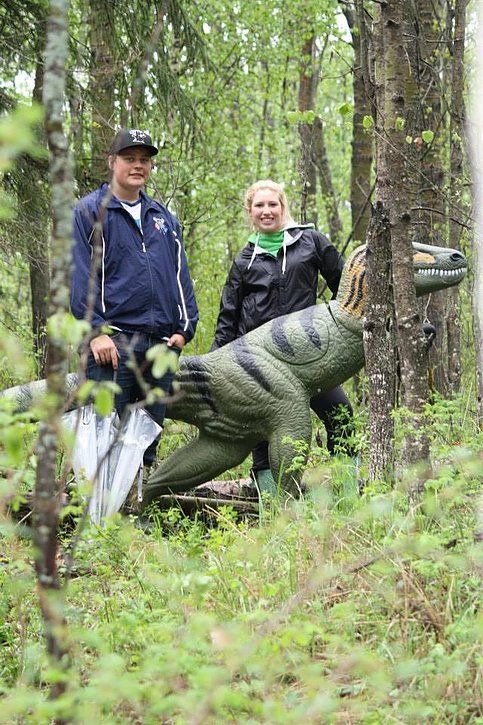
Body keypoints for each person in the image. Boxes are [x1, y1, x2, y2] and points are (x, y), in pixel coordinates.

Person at [211, 179, 353, 493]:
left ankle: (349, 498)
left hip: (310, 356)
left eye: (272, 204)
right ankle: (273, 509)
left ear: (282, 207)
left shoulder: (310, 241)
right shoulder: (244, 261)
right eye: (259, 206)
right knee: (263, 435)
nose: (266, 211)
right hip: (262, 365)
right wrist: (213, 369)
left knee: (341, 416)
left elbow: (347, 284)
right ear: (250, 211)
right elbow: (228, 319)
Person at [71, 128, 198, 470]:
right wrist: (95, 331)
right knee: (103, 440)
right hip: (113, 347)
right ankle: (99, 521)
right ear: (112, 162)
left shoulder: (164, 219)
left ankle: (136, 519)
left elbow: (179, 275)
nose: (138, 165)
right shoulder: (88, 213)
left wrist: (185, 330)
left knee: (145, 444)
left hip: (161, 348)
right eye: (129, 158)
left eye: (145, 160)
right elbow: (81, 275)